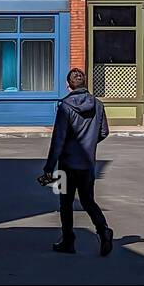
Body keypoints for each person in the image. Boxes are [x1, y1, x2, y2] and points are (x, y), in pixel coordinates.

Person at [41, 67, 113, 256]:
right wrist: (89, 144)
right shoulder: (98, 104)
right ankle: (103, 230)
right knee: (88, 200)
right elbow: (104, 132)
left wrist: (49, 167)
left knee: (65, 202)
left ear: (68, 85)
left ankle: (68, 240)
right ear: (84, 83)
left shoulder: (65, 107)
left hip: (66, 164)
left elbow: (59, 139)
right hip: (88, 164)